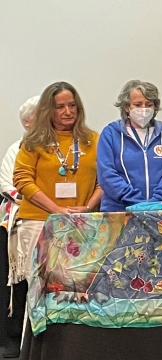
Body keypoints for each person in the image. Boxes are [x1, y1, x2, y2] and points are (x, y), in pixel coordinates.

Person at [13, 82, 102, 281]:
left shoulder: (93, 140)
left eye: (72, 105)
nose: (68, 111)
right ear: (48, 110)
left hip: (82, 222)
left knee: (78, 287)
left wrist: (88, 207)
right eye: (60, 107)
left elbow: (104, 180)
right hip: (39, 221)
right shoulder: (34, 141)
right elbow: (22, 179)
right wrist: (55, 209)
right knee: (41, 287)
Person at [97, 80, 162, 212]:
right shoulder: (111, 133)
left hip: (160, 210)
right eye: (137, 104)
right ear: (127, 107)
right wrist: (136, 201)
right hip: (119, 211)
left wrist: (156, 202)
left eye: (149, 104)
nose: (144, 109)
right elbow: (106, 174)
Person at [0, 95, 38, 359]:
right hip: (23, 223)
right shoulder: (16, 149)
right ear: (26, 122)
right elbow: (7, 184)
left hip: (58, 221)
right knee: (21, 283)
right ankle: (15, 339)